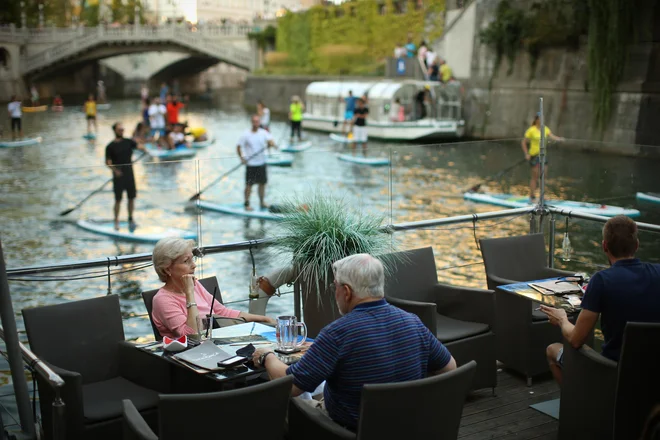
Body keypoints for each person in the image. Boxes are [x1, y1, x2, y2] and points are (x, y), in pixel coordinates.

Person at [252, 254, 456, 431]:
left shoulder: (338, 333)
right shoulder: (412, 322)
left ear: (347, 291)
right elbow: (449, 368)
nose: (335, 292)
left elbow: (290, 386)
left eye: (335, 287)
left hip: (345, 431)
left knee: (281, 404)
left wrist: (266, 356)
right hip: (408, 426)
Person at [541, 215, 660, 385]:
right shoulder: (657, 273)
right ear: (637, 245)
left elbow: (576, 340)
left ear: (605, 246)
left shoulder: (601, 280)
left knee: (553, 350)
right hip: (653, 371)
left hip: (613, 371)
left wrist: (561, 319)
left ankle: (583, 406)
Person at [151, 238, 275, 339]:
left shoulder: (195, 285)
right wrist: (189, 294)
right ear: (167, 269)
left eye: (192, 259)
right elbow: (192, 336)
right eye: (186, 261)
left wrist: (263, 319)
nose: (194, 265)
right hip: (191, 357)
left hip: (218, 342)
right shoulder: (163, 300)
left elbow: (222, 312)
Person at [105, 122, 146, 231]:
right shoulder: (110, 146)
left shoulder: (128, 142)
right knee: (118, 200)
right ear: (115, 131)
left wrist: (144, 148)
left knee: (131, 198)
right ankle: (116, 221)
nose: (121, 131)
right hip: (118, 176)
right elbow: (108, 162)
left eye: (122, 129)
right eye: (119, 129)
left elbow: (139, 146)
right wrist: (115, 171)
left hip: (129, 173)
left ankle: (130, 219)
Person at [237, 115, 277, 211]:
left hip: (261, 163)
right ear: (251, 122)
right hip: (251, 165)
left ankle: (262, 202)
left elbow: (271, 141)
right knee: (249, 185)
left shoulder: (263, 133)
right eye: (254, 121)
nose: (256, 123)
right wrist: (242, 158)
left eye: (257, 122)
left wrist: (271, 143)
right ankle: (247, 204)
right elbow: (238, 147)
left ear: (259, 123)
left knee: (262, 184)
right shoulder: (246, 134)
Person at [521, 113, 564, 202]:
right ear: (536, 120)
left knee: (543, 177)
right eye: (540, 119)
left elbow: (552, 136)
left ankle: (542, 196)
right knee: (535, 177)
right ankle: (532, 196)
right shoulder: (531, 130)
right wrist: (526, 154)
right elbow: (523, 142)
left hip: (543, 156)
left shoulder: (545, 129)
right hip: (534, 156)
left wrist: (559, 139)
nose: (542, 120)